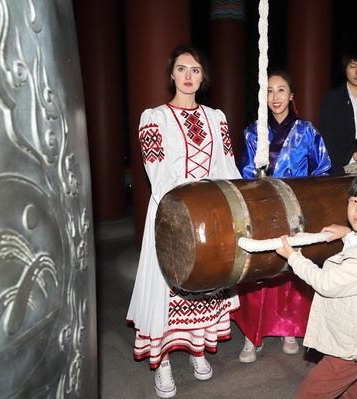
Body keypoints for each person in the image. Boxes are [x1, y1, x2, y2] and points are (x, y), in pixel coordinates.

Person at [126, 45, 242, 398]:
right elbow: (156, 171)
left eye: (195, 70)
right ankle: (161, 363)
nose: (188, 76)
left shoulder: (216, 117)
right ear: (172, 75)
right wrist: (185, 207)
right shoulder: (154, 118)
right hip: (170, 211)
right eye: (181, 69)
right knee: (167, 285)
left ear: (203, 77)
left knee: (204, 281)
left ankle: (197, 350)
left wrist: (236, 206)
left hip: (208, 213)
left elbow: (227, 167)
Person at [275, 169, 357, 398]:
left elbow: (325, 283)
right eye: (354, 200)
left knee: (311, 393)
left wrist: (293, 257)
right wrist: (347, 233)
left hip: (350, 347)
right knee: (352, 391)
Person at [232, 70, 332, 363]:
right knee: (257, 271)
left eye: (281, 90)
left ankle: (289, 328)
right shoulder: (253, 132)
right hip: (263, 210)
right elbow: (245, 174)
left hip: (297, 211)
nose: (275, 97)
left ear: (291, 96)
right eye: (269, 91)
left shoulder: (308, 131)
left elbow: (323, 170)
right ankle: (253, 335)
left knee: (292, 268)